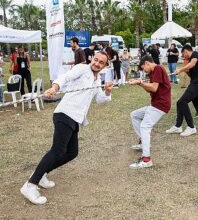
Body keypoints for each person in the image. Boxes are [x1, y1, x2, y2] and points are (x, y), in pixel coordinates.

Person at [20, 51, 113, 205]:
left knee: (71, 153)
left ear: (105, 65)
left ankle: (42, 174)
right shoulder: (82, 69)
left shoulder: (97, 80)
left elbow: (100, 100)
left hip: (75, 119)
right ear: (92, 58)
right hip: (65, 114)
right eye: (95, 59)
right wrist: (55, 88)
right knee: (57, 151)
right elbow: (65, 77)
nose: (96, 63)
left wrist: (107, 92)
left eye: (101, 62)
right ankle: (30, 184)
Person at [129, 55, 171, 169]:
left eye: (143, 68)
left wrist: (139, 83)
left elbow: (154, 88)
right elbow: (150, 89)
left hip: (160, 105)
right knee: (134, 115)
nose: (144, 70)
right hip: (155, 104)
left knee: (145, 127)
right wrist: (140, 83)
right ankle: (143, 143)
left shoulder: (158, 68)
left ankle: (146, 159)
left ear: (147, 63)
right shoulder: (153, 73)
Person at [166, 44, 198, 137]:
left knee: (182, 102)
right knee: (179, 103)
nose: (184, 57)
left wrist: (180, 69)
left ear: (186, 51)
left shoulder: (195, 54)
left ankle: (191, 127)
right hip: (194, 83)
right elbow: (191, 74)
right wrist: (186, 70)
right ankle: (178, 126)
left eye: (184, 54)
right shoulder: (189, 60)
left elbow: (192, 64)